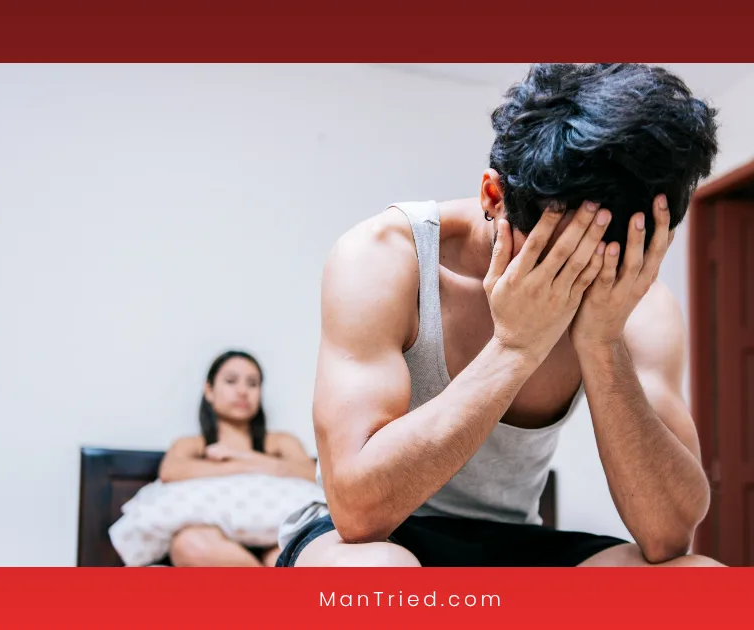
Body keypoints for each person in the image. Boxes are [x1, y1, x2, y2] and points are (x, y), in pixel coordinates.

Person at [276, 63, 724, 567]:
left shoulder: (634, 300)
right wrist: (514, 347)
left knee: (698, 578)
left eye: (603, 261)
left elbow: (668, 538)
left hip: (510, 540)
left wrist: (603, 343)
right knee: (379, 572)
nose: (579, 275)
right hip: (364, 536)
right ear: (495, 196)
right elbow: (358, 510)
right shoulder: (384, 256)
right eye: (557, 253)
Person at [158, 350, 316, 567]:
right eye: (231, 381)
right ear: (209, 390)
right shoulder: (192, 444)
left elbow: (310, 473)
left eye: (252, 384)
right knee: (189, 545)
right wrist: (247, 465)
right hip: (215, 541)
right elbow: (170, 472)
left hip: (275, 535)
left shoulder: (281, 442)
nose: (242, 391)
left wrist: (241, 456)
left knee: (285, 557)